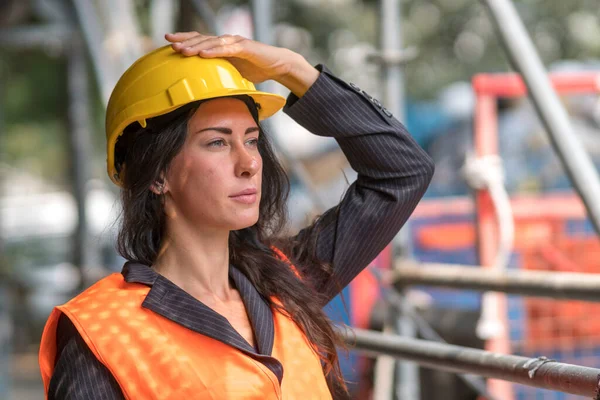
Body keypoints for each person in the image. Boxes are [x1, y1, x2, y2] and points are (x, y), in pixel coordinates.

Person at [38, 32, 434, 399]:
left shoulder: (287, 281)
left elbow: (402, 172)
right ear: (158, 174)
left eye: (251, 140)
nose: (249, 164)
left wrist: (292, 69)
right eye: (216, 142)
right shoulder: (102, 333)